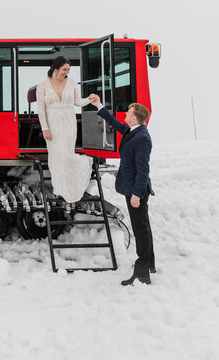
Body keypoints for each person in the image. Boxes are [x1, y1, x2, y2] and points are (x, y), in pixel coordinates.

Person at [89, 93, 155, 286]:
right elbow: (116, 124)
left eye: (128, 112)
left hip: (137, 190)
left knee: (140, 230)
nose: (125, 114)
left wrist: (136, 194)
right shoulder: (133, 131)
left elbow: (144, 169)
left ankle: (142, 274)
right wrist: (99, 106)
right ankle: (150, 263)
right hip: (132, 188)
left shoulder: (142, 138)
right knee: (144, 227)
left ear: (134, 117)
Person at [36, 57, 92, 203]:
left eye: (68, 70)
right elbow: (41, 109)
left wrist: (89, 99)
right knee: (56, 156)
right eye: (64, 69)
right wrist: (45, 128)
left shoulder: (71, 82)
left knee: (67, 155)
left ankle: (69, 187)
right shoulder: (43, 85)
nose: (66, 73)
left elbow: (77, 102)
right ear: (55, 68)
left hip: (68, 122)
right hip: (52, 123)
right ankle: (59, 189)